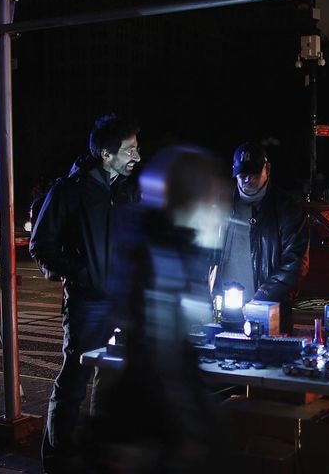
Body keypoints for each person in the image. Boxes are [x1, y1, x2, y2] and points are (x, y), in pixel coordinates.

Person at [83, 145, 231, 473]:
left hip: (152, 421)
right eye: (211, 197)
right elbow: (159, 355)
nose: (219, 208)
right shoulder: (161, 259)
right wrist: (187, 428)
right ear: (189, 200)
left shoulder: (165, 247)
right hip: (150, 426)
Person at [29, 114, 141, 473]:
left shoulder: (128, 190)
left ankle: (97, 452)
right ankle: (57, 458)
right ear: (106, 154)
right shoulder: (69, 191)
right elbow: (41, 244)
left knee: (110, 381)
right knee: (74, 381)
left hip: (121, 303)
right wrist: (83, 274)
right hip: (86, 303)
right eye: (130, 149)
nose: (137, 156)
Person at [213, 141, 310, 334]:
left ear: (267, 169)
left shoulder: (286, 208)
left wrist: (261, 298)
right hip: (224, 314)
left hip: (267, 315)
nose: (248, 180)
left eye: (254, 174)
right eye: (242, 175)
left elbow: (296, 263)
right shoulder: (220, 205)